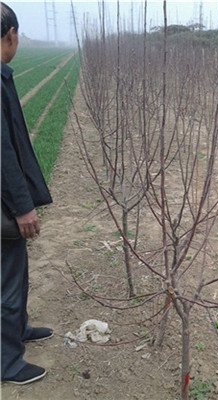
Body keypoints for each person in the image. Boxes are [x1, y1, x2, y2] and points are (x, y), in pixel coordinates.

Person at [1, 2, 53, 385]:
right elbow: (2, 153)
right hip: (3, 207)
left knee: (14, 274)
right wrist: (22, 208)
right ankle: (7, 363)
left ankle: (17, 333)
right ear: (12, 35)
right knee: (7, 279)